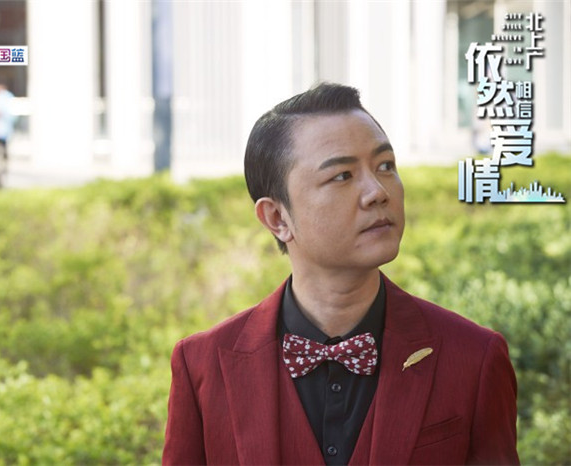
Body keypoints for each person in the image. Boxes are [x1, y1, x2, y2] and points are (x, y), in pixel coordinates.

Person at [162, 83, 519, 465]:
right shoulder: (202, 366)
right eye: (343, 176)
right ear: (277, 218)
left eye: (385, 166)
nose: (377, 191)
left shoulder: (473, 357)